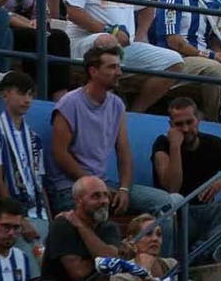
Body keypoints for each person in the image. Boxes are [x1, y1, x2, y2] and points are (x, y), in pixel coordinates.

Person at [47, 44, 186, 258]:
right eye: (112, 67)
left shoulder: (116, 105)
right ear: (93, 71)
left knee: (167, 202)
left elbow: (123, 151)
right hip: (70, 189)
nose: (119, 72)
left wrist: (124, 189)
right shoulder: (69, 103)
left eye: (118, 67)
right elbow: (60, 154)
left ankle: (158, 268)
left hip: (104, 186)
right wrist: (95, 184)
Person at [149, 97, 221, 255]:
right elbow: (172, 188)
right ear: (171, 126)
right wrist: (175, 146)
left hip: (207, 211)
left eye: (189, 122)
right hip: (180, 215)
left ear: (198, 120)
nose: (186, 129)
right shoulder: (163, 144)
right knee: (174, 199)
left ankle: (201, 252)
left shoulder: (214, 144)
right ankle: (199, 253)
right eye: (179, 124)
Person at [0, 72, 50, 263]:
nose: (27, 100)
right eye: (21, 93)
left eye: (30, 95)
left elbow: (40, 183)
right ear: (5, 94)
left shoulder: (35, 139)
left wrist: (50, 220)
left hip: (41, 217)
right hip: (17, 220)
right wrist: (19, 219)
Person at [41, 177, 126, 281]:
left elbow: (110, 259)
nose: (104, 201)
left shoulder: (109, 227)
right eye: (96, 196)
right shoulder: (63, 225)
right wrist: (106, 259)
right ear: (78, 201)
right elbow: (78, 273)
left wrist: (81, 227)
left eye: (106, 195)